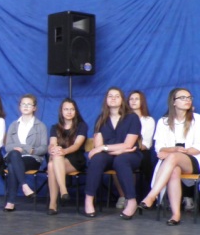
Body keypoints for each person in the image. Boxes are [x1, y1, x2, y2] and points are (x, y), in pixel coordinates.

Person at [139, 88, 200, 225]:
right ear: (173, 102)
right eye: (183, 98)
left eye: (189, 97)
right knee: (174, 170)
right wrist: (174, 149)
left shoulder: (198, 119)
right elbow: (159, 148)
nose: (187, 100)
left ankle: (151, 196)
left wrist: (174, 152)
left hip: (193, 160)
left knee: (173, 158)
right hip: (171, 163)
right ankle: (176, 215)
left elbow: (197, 148)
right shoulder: (163, 121)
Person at [83, 87, 141, 218]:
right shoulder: (101, 119)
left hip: (130, 155)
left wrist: (105, 148)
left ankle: (131, 201)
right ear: (106, 100)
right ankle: (88, 200)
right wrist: (116, 149)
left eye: (117, 96)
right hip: (109, 155)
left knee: (121, 160)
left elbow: (128, 145)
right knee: (97, 159)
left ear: (122, 100)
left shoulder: (132, 118)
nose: (113, 98)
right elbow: (98, 146)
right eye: (110, 96)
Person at [2, 94, 48, 212]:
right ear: (19, 107)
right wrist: (22, 148)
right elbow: (8, 147)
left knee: (12, 165)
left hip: (32, 158)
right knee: (14, 154)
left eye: (29, 104)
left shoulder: (41, 126)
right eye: (23, 104)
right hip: (13, 155)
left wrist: (28, 150)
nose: (26, 106)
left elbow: (44, 148)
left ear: (34, 108)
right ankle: (24, 185)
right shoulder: (13, 125)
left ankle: (11, 202)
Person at [45, 98, 88, 214]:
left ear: (75, 111)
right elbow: (52, 143)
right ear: (61, 111)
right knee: (52, 163)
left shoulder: (81, 126)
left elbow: (77, 145)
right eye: (66, 109)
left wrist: (63, 151)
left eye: (72, 109)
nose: (69, 112)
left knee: (51, 165)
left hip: (75, 159)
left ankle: (53, 203)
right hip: (59, 158)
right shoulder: (55, 127)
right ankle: (63, 191)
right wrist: (53, 149)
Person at [124, 90, 155, 204]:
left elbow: (146, 144)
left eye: (137, 99)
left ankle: (153, 196)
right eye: (131, 99)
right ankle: (125, 196)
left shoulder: (148, 120)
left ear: (142, 102)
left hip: (140, 151)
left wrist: (132, 145)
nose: (133, 101)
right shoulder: (123, 119)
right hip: (123, 150)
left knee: (141, 160)